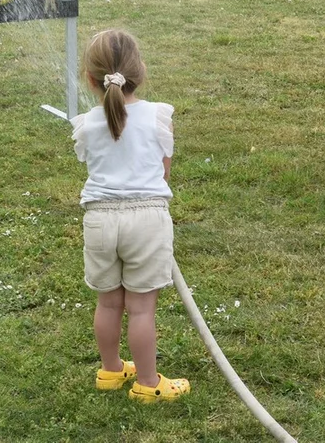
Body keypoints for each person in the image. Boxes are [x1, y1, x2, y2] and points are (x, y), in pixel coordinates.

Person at [70, 30, 191, 402]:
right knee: (141, 310)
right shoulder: (158, 116)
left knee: (108, 303)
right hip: (146, 220)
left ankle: (110, 371)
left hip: (99, 220)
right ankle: (149, 384)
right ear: (142, 71)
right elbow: (163, 172)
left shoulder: (86, 123)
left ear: (91, 79)